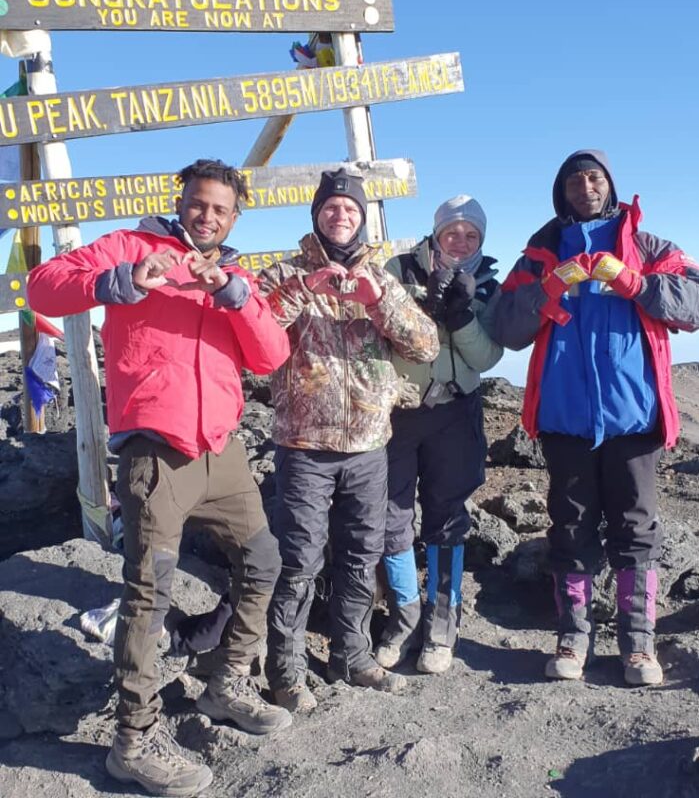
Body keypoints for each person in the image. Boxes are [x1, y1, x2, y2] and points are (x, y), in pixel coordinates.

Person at [27, 158, 292, 798]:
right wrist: (121, 281)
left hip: (221, 450)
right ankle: (133, 741)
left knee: (263, 560)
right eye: (198, 204)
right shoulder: (134, 245)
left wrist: (231, 294)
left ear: (235, 217)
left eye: (221, 209)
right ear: (183, 202)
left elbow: (271, 354)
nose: (208, 215)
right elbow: (43, 287)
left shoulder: (235, 275)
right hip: (155, 450)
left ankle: (225, 685)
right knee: (150, 592)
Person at [491, 149, 699, 686]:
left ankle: (638, 646)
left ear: (609, 185)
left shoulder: (648, 247)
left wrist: (637, 284)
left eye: (594, 176)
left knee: (636, 531)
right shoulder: (540, 254)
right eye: (574, 179)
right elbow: (505, 327)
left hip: (634, 419)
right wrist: (548, 287)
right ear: (560, 192)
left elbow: (695, 299)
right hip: (566, 419)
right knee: (570, 528)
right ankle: (573, 638)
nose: (585, 185)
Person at [257, 168, 440, 713]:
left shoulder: (382, 277)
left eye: (351, 208)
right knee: (299, 560)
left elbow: (425, 344)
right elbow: (256, 333)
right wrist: (303, 290)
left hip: (367, 446)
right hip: (304, 446)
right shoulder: (283, 273)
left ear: (362, 217)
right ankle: (286, 668)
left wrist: (378, 299)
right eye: (331, 207)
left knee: (361, 555)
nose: (341, 215)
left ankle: (351, 655)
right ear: (316, 214)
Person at [375, 195, 502, 675]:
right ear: (436, 232)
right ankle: (403, 618)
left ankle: (441, 625)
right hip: (401, 412)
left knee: (447, 518)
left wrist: (463, 317)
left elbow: (487, 359)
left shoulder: (489, 281)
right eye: (454, 231)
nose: (462, 241)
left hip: (456, 411)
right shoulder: (400, 268)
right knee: (392, 516)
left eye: (472, 234)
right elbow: (383, 331)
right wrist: (424, 310)